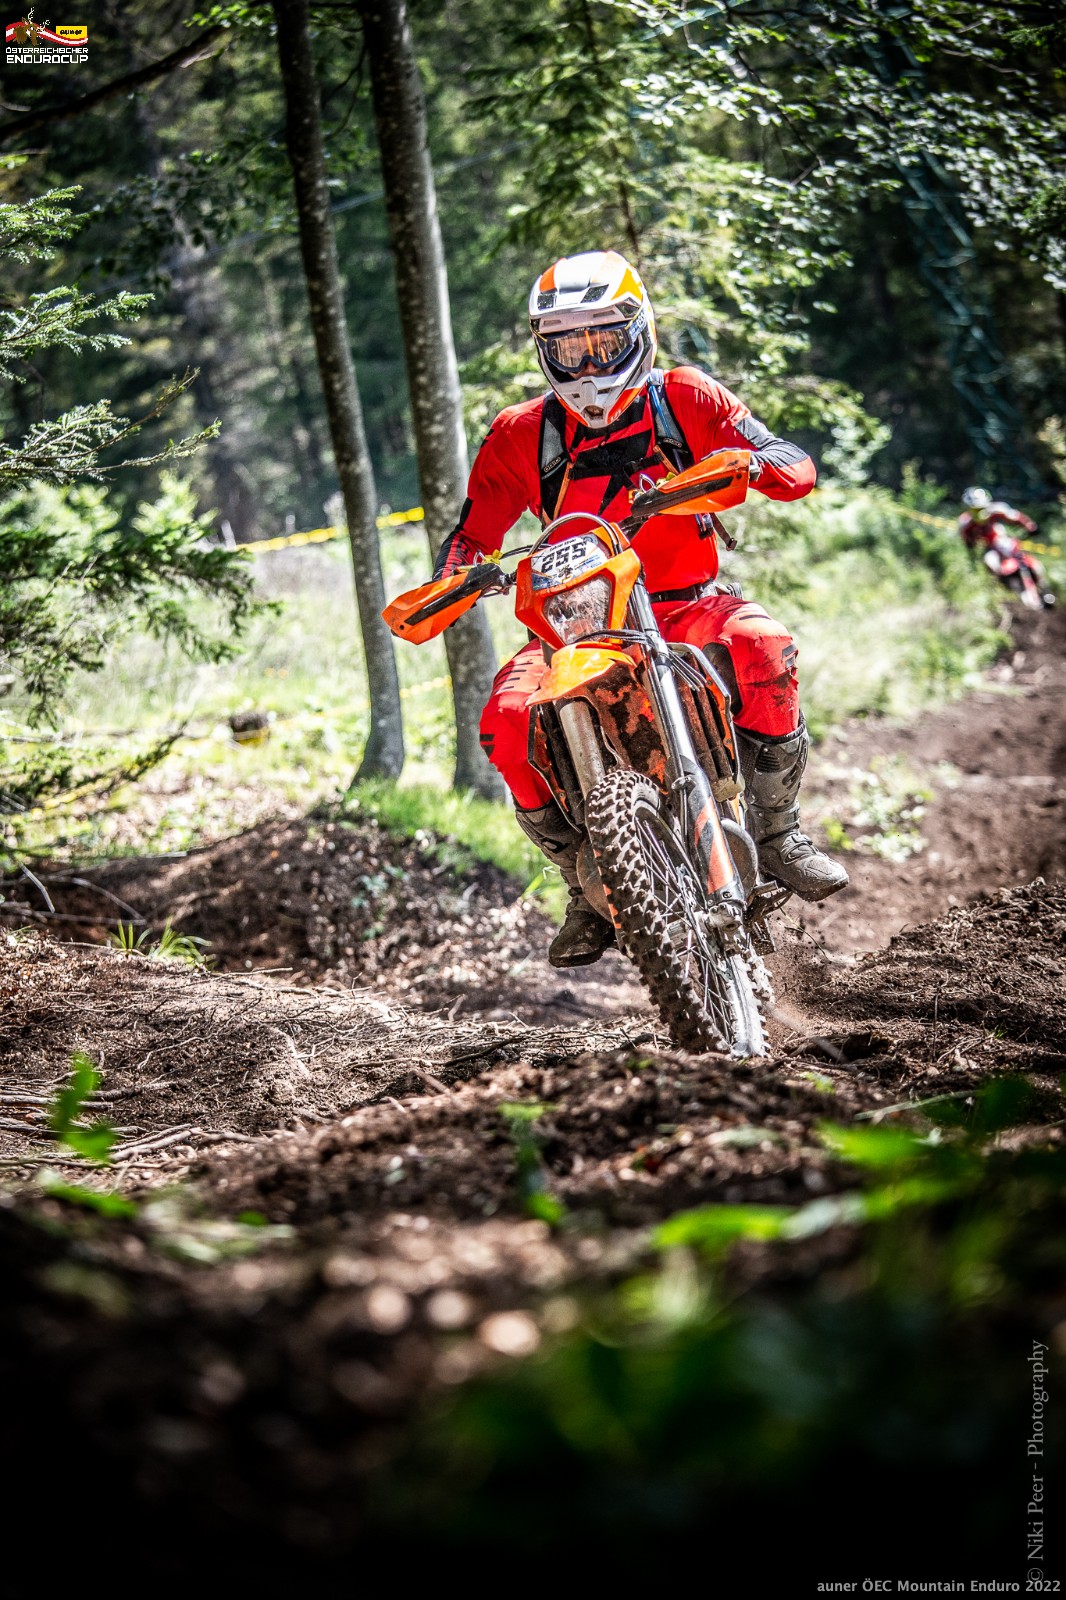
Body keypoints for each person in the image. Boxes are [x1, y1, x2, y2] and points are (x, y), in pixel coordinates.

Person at [434, 250, 848, 968]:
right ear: (544, 350)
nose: (588, 363)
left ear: (639, 330)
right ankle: (581, 883)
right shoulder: (519, 433)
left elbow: (793, 462)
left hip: (687, 605)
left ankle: (778, 833)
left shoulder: (686, 398)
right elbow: (471, 535)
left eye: (603, 341)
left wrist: (751, 464)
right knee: (505, 721)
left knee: (765, 645)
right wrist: (455, 579)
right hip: (577, 625)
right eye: (569, 347)